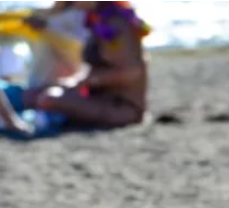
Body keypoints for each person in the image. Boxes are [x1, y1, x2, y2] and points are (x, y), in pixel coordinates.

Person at [0, 1, 147, 136]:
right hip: (99, 96)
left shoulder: (115, 23)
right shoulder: (98, 19)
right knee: (35, 94)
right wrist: (76, 83)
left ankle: (24, 121)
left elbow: (132, 72)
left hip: (121, 107)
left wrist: (83, 82)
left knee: (48, 98)